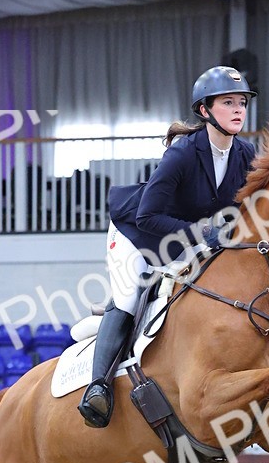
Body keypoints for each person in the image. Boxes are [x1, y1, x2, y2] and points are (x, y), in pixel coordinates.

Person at [78, 65, 257, 429]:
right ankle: (98, 388)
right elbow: (147, 216)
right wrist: (202, 233)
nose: (238, 109)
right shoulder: (182, 155)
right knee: (130, 296)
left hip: (187, 239)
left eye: (242, 102)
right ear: (205, 110)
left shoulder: (246, 153)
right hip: (137, 235)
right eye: (228, 102)